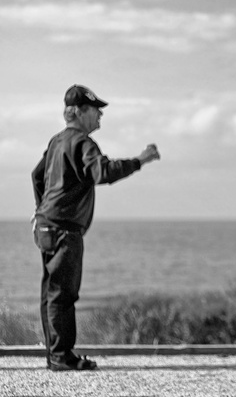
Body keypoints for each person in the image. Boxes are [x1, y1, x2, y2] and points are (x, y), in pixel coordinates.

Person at [31, 84, 161, 371]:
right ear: (77, 112)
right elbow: (103, 172)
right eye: (95, 110)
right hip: (63, 228)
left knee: (52, 291)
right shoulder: (81, 142)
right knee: (63, 293)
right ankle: (61, 357)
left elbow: (37, 176)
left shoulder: (57, 141)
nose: (100, 116)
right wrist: (141, 159)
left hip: (48, 226)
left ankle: (56, 355)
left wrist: (41, 211)